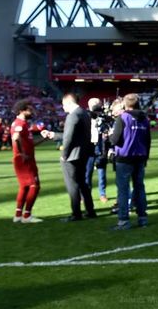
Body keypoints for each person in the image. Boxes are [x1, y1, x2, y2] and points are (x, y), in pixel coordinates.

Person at [41, 93, 97, 222]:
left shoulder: (72, 116)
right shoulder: (84, 113)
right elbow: (74, 136)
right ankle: (90, 210)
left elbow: (68, 138)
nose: (63, 107)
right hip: (83, 154)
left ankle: (76, 213)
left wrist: (64, 155)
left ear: (68, 102)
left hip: (72, 156)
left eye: (63, 104)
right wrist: (53, 135)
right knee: (83, 183)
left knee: (72, 185)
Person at [109, 93, 151, 230]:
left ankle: (123, 220)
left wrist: (110, 135)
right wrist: (146, 157)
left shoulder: (123, 118)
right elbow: (148, 141)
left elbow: (115, 140)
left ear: (125, 104)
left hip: (125, 158)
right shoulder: (145, 119)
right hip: (140, 157)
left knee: (123, 190)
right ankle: (142, 218)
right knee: (139, 188)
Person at [10, 100, 45, 223]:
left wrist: (44, 138)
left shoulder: (23, 124)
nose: (31, 112)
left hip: (25, 159)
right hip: (25, 160)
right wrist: (22, 153)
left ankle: (18, 215)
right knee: (34, 186)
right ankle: (27, 216)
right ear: (21, 110)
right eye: (29, 110)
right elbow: (16, 138)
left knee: (24, 187)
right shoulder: (20, 124)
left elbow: (31, 144)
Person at [85, 97, 112, 204]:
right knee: (87, 173)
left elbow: (108, 129)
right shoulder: (86, 117)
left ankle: (102, 194)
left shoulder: (103, 118)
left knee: (102, 174)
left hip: (101, 148)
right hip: (89, 147)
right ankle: (86, 195)